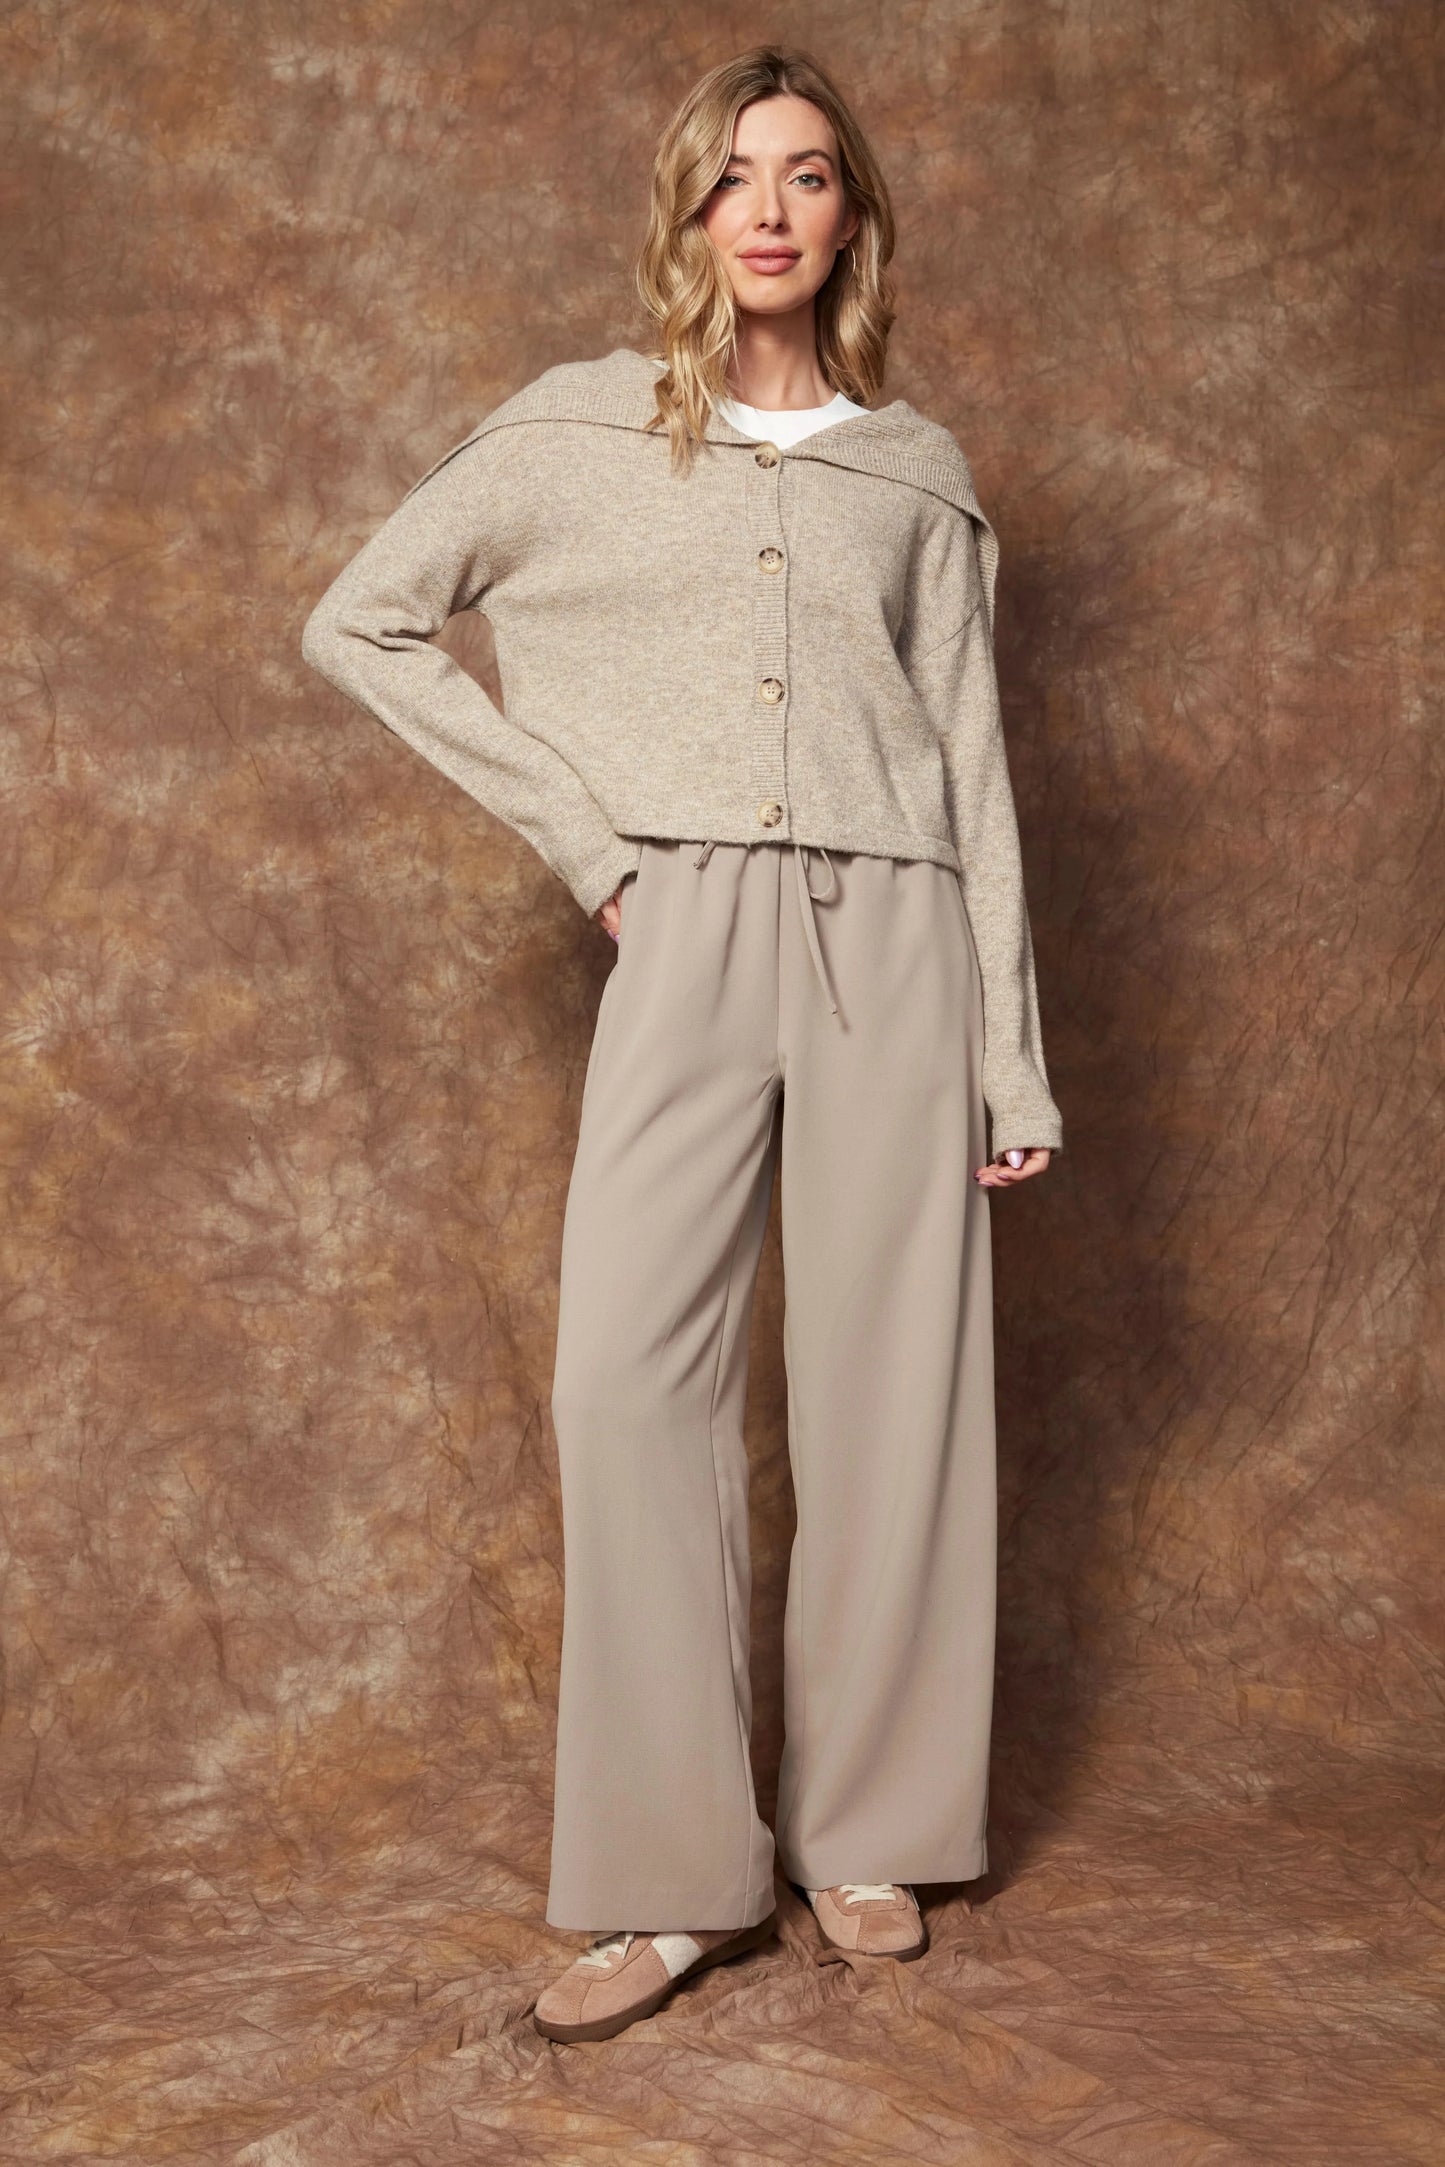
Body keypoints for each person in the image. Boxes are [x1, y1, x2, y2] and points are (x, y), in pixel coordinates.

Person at [300, 43, 1064, 2047]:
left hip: (898, 928)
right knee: (628, 1377)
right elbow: (363, 621)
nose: (774, 211)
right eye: (737, 179)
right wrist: (588, 842)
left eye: (810, 177)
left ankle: (870, 1828)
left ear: (852, 215)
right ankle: (666, 1875)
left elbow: (973, 769)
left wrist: (1011, 1054)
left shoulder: (924, 471)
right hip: (687, 915)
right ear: (690, 212)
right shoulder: (575, 430)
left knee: (898, 1389)